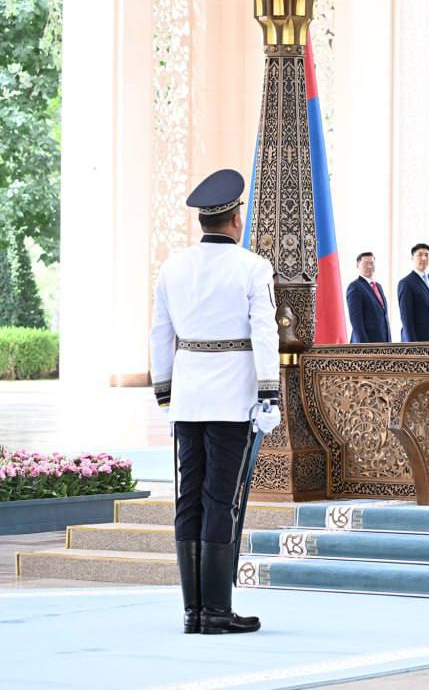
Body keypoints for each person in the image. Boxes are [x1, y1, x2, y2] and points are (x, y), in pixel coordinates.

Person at [149, 168, 276, 635]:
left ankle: (194, 612)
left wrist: (166, 394)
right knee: (221, 500)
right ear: (236, 218)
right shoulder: (252, 266)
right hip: (232, 399)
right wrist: (269, 394)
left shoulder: (173, 267)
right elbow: (264, 332)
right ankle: (217, 612)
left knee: (189, 499)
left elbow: (159, 334)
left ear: (203, 220)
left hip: (187, 399)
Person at [398, 243, 429, 342]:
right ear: (412, 258)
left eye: (426, 255)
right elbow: (406, 317)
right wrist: (412, 343)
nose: (424, 258)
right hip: (417, 339)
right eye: (420, 255)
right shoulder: (406, 283)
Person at [346, 251, 391, 343]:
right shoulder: (355, 287)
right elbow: (356, 323)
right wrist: (365, 347)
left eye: (372, 263)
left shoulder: (378, 286)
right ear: (358, 266)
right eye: (366, 263)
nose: (370, 266)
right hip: (367, 344)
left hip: (383, 343)